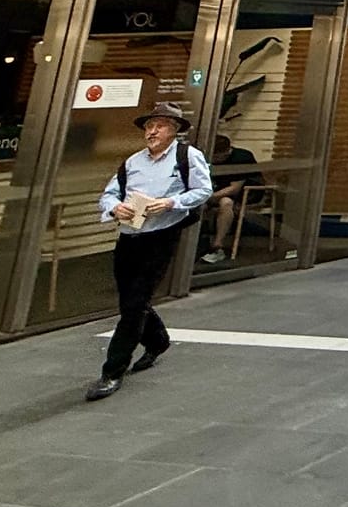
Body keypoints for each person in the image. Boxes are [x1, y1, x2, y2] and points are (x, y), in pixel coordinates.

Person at [87, 103, 211, 401]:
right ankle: (158, 341)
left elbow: (203, 190)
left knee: (134, 305)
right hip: (130, 236)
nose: (152, 132)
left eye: (159, 126)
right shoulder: (133, 162)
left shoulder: (187, 156)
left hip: (161, 236)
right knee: (130, 299)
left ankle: (112, 371)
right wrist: (115, 208)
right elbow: (109, 194)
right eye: (149, 126)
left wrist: (170, 203)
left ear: (174, 130)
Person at [200, 134, 263, 265]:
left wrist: (207, 197)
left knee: (226, 203)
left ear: (226, 153)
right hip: (213, 191)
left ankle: (217, 246)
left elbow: (234, 189)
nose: (214, 160)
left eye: (216, 158)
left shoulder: (241, 158)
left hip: (244, 194)